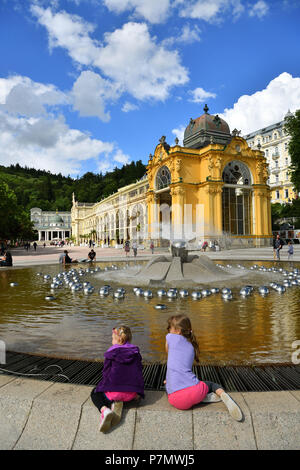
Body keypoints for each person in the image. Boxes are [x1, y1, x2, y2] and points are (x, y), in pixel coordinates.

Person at [164, 315, 242, 421]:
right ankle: (222, 395)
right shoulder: (192, 347)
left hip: (175, 400)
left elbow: (168, 352)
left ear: (177, 331)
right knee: (210, 384)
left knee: (167, 385)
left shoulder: (170, 337)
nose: (168, 330)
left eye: (169, 327)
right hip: (197, 391)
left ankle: (202, 398)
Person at [90, 325, 144, 432]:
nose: (111, 341)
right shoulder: (135, 353)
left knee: (95, 392)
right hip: (131, 394)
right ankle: (120, 402)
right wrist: (138, 392)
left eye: (112, 338)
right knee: (126, 387)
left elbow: (105, 373)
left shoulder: (111, 353)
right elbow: (139, 372)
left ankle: (105, 410)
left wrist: (103, 386)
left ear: (118, 339)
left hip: (114, 393)